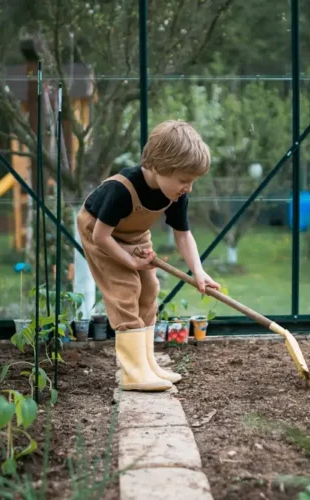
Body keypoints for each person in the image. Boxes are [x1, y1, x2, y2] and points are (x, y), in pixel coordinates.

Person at [76, 120, 220, 392]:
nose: (188, 188)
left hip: (134, 235)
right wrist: (130, 261)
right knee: (125, 289)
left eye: (192, 181)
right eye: (183, 180)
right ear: (158, 167)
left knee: (150, 288)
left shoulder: (176, 193)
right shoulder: (120, 190)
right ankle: (132, 373)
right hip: (101, 235)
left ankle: (147, 364)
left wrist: (198, 271)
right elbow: (100, 236)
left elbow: (182, 234)